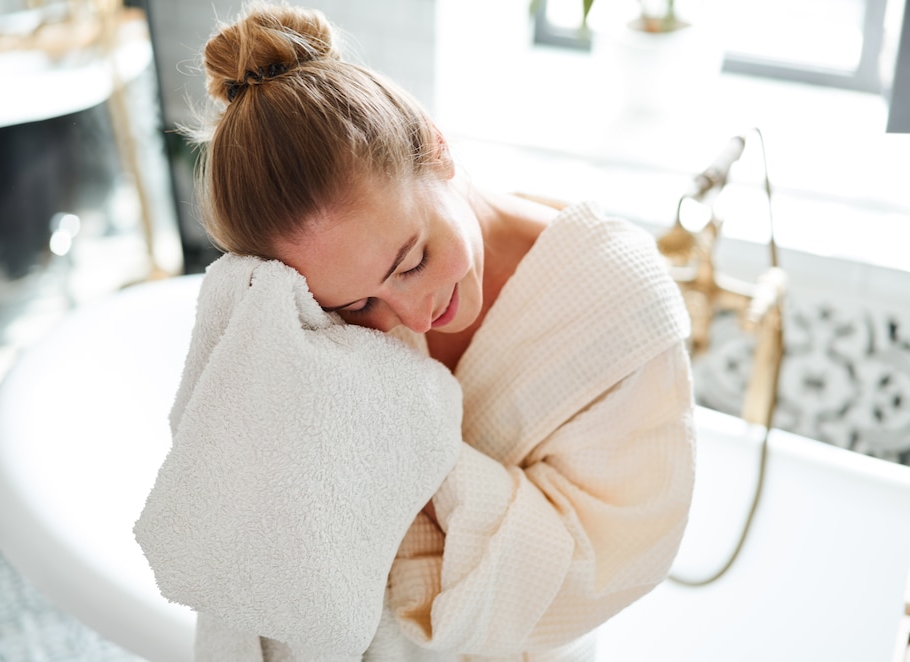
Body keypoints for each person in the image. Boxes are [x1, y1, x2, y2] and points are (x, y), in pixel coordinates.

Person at [158, 2, 695, 659]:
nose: (408, 316)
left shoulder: (619, 303)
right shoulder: (284, 300)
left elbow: (603, 561)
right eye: (357, 308)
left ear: (439, 151)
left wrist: (423, 447)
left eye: (411, 262)